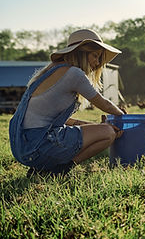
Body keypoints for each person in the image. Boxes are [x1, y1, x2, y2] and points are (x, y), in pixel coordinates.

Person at [9, 29, 126, 175]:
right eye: (95, 56)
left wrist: (95, 127)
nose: (97, 63)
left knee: (103, 130)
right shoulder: (74, 73)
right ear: (81, 53)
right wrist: (122, 115)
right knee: (108, 133)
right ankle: (61, 169)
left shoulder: (51, 73)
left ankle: (43, 168)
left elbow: (59, 120)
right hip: (39, 145)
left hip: (23, 147)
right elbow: (103, 103)